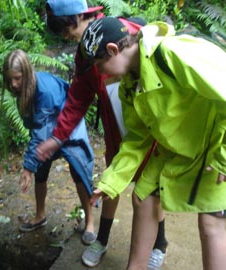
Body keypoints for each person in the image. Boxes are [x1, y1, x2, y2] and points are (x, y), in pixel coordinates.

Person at [80, 16, 226, 270]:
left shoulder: (173, 53)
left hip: (215, 143)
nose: (100, 72)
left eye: (100, 64)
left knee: (211, 223)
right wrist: (110, 181)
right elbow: (137, 139)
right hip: (176, 147)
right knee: (143, 196)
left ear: (114, 50)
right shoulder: (128, 85)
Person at [38, 0, 168, 268]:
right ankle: (103, 238)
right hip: (116, 131)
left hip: (150, 129)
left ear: (77, 17)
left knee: (151, 190)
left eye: (64, 29)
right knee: (109, 183)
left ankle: (160, 242)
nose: (65, 36)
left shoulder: (121, 35)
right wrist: (57, 137)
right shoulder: (84, 54)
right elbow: (78, 97)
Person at [2, 49, 97, 245]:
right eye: (10, 79)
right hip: (48, 127)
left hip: (69, 126)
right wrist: (33, 165)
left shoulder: (43, 90)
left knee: (79, 171)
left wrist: (27, 167)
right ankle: (40, 216)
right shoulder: (24, 88)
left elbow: (39, 134)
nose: (13, 84)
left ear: (27, 74)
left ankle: (90, 222)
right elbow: (39, 130)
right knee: (41, 169)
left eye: (18, 79)